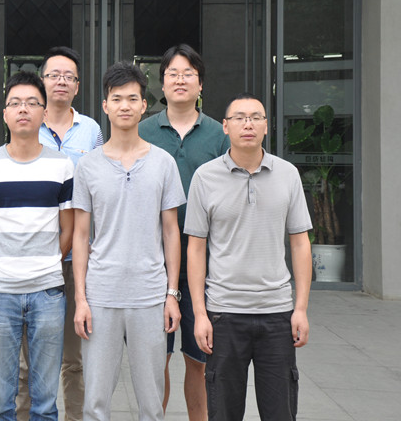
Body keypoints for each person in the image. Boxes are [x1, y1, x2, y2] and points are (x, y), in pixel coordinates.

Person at [185, 93, 312, 421]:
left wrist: (300, 308)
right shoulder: (205, 177)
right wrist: (200, 313)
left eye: (256, 117)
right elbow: (196, 248)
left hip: (277, 313)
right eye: (239, 117)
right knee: (224, 412)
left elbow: (300, 243)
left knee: (280, 411)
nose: (248, 124)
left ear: (266, 126)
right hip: (224, 314)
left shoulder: (288, 174)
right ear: (225, 127)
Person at [73, 61, 185, 421]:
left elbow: (171, 231)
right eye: (117, 98)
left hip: (149, 295)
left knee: (152, 403)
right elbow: (80, 235)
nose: (125, 105)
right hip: (100, 295)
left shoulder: (163, 163)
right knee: (95, 403)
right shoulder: (87, 166)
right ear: (105, 105)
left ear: (143, 106)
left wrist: (171, 294)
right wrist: (80, 299)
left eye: (132, 98)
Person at [0, 71, 74, 421]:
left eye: (32, 103)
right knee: (1, 402)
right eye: (15, 103)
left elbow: (68, 229)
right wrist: (6, 263)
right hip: (1, 291)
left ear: (44, 113)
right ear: (5, 113)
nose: (23, 109)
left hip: (48, 291)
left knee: (45, 403)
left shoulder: (62, 165)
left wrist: (48, 264)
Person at [139, 44, 229, 421]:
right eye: (172, 73)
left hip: (204, 264)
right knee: (155, 359)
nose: (180, 80)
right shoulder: (143, 130)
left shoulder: (218, 134)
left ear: (200, 83)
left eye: (188, 73)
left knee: (200, 359)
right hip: (152, 263)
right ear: (162, 83)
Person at [17, 46, 103, 421]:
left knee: (75, 358)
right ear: (43, 81)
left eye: (69, 76)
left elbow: (99, 186)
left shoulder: (92, 131)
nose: (61, 82)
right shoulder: (26, 124)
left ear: (77, 86)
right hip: (33, 256)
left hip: (77, 259)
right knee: (26, 361)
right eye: (54, 75)